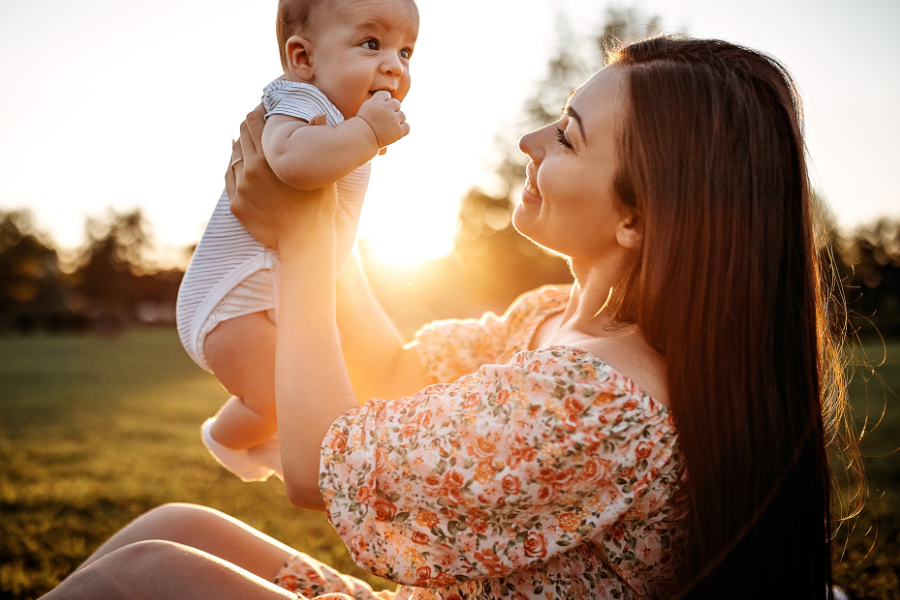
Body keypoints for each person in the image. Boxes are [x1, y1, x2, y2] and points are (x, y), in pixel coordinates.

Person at [43, 36, 860, 599]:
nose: (531, 141)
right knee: (174, 525)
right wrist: (318, 205)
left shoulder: (598, 400)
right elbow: (396, 372)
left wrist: (300, 247)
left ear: (637, 220)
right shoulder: (554, 321)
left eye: (568, 137)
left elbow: (316, 465)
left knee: (139, 579)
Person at [175, 0, 417, 479]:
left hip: (267, 291)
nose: (394, 64)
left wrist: (360, 135)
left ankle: (272, 434)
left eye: (406, 52)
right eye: (372, 44)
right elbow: (289, 159)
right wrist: (367, 132)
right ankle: (225, 439)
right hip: (228, 305)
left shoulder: (339, 122)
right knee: (275, 398)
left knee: (308, 388)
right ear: (303, 59)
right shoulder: (299, 101)